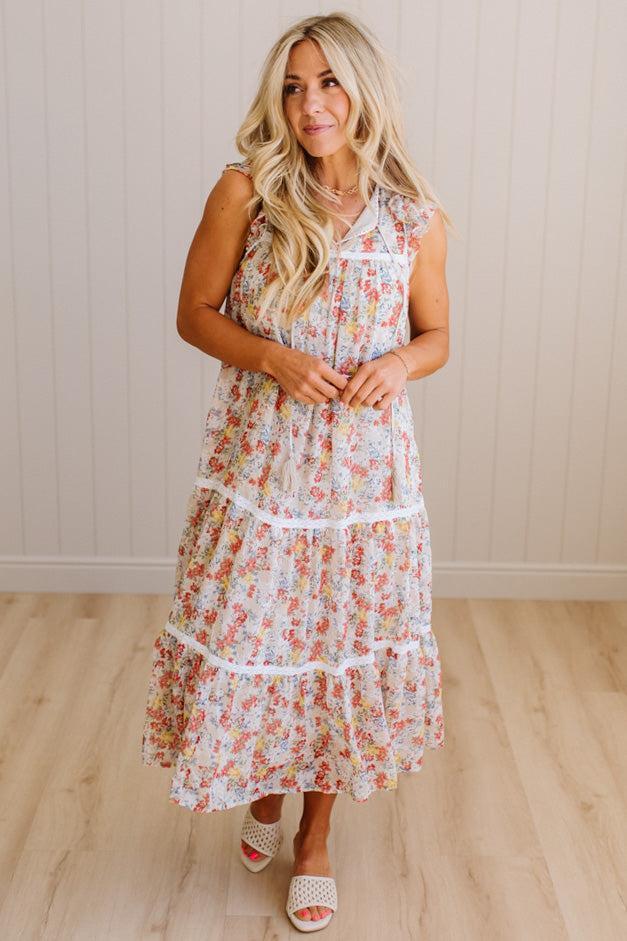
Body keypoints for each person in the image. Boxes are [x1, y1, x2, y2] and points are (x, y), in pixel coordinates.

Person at [141, 11, 450, 933]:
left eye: (326, 82)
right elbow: (195, 314)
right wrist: (273, 358)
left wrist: (400, 363)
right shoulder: (247, 191)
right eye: (292, 85)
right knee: (267, 640)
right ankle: (262, 789)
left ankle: (313, 842)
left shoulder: (414, 214)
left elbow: (437, 336)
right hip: (265, 472)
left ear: (363, 90)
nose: (309, 104)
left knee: (339, 653)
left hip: (366, 489)